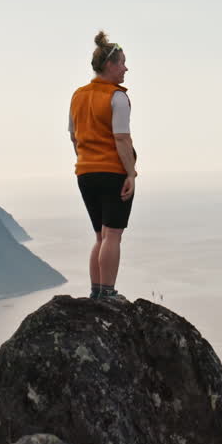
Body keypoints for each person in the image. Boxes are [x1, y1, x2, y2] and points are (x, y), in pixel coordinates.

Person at [69, 31, 137, 302]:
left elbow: (74, 136)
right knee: (113, 235)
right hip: (112, 171)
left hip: (85, 173)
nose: (125, 68)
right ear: (109, 66)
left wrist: (85, 160)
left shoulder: (78, 96)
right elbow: (121, 138)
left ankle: (96, 291)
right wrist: (130, 173)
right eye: (122, 63)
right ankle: (108, 294)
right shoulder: (117, 98)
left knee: (100, 235)